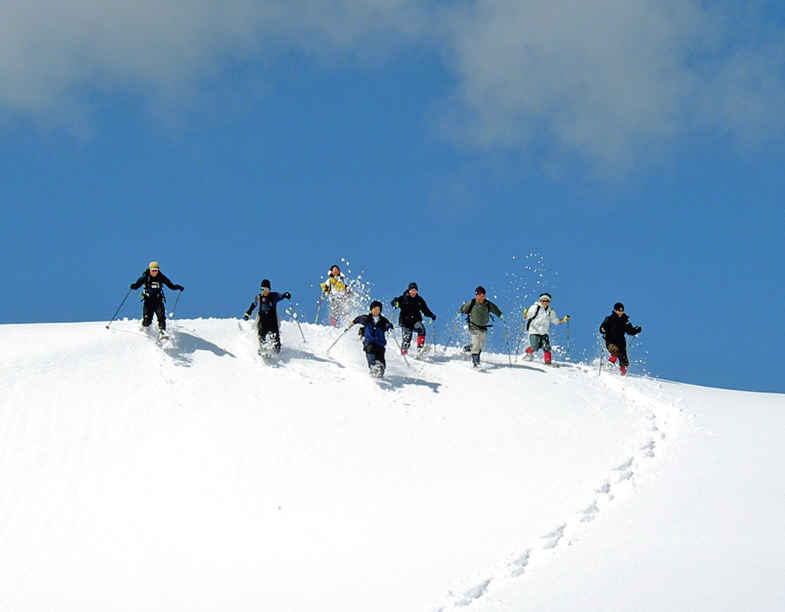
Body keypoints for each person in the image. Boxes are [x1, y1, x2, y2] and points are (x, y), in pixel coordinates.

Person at [130, 261, 184, 338]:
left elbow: (170, 286)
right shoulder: (145, 276)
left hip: (158, 301)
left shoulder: (161, 277)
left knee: (161, 317)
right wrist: (134, 286)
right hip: (148, 301)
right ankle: (145, 330)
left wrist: (177, 287)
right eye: (153, 271)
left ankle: (162, 333)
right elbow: (138, 284)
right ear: (149, 270)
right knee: (147, 319)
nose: (154, 272)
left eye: (156, 270)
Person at [458, 286, 502, 368]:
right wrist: (459, 313)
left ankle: (468, 348)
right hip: (473, 326)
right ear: (476, 295)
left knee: (480, 345)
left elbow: (495, 309)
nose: (481, 297)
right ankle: (475, 362)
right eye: (479, 295)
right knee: (476, 343)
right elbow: (462, 309)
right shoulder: (472, 303)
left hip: (483, 327)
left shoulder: (487, 304)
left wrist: (500, 315)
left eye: (483, 296)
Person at [347, 300, 394, 377]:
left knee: (381, 359)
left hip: (379, 343)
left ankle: (380, 372)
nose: (376, 312)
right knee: (370, 349)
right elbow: (356, 320)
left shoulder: (382, 320)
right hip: (369, 341)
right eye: (374, 310)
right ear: (371, 310)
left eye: (378, 310)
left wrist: (390, 328)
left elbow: (388, 325)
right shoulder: (366, 319)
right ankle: (373, 368)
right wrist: (348, 327)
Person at [243, 279, 291, 354]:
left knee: (274, 335)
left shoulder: (274, 296)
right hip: (263, 320)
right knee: (262, 333)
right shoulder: (258, 298)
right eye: (263, 289)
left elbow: (281, 296)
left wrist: (286, 295)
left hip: (272, 320)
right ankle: (263, 348)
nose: (265, 292)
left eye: (267, 290)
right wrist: (247, 313)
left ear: (269, 290)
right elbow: (253, 305)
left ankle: (276, 350)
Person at [390, 282, 436, 355]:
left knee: (421, 329)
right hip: (405, 322)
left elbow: (425, 309)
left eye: (415, 290)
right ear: (409, 290)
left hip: (415, 321)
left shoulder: (419, 300)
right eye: (412, 290)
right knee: (407, 338)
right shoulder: (403, 298)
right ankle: (404, 352)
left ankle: (420, 349)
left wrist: (431, 315)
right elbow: (395, 303)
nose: (413, 292)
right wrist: (394, 302)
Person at [523, 293, 569, 365]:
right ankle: (528, 353)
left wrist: (563, 320)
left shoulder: (550, 311)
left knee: (546, 347)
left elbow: (555, 321)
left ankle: (548, 362)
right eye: (543, 301)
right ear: (540, 301)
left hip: (544, 332)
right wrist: (525, 314)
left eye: (546, 301)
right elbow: (528, 316)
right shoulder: (535, 307)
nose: (544, 302)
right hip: (534, 330)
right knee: (535, 347)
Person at [599, 302, 641, 376]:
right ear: (615, 310)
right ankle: (610, 364)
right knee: (616, 351)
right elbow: (603, 327)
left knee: (624, 361)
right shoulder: (610, 318)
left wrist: (636, 330)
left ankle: (622, 375)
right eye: (619, 311)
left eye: (622, 311)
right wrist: (603, 329)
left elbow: (630, 331)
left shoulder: (625, 320)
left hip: (621, 342)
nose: (620, 313)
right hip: (611, 340)